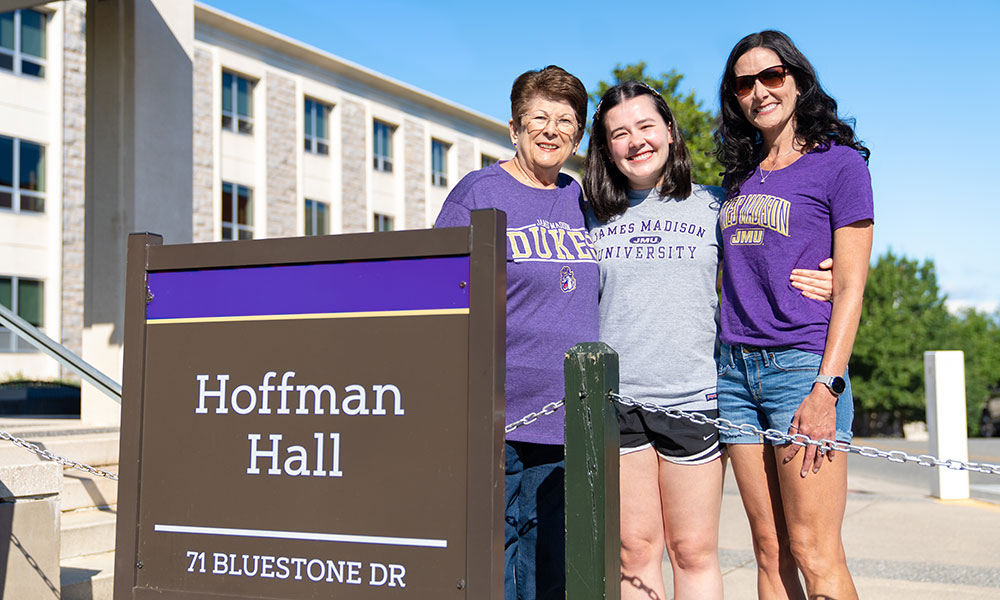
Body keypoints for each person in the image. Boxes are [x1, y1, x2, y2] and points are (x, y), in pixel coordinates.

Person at [582, 81, 833, 600]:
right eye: (619, 134)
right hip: (615, 403)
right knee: (633, 550)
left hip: (693, 399)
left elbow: (769, 258)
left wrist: (831, 278)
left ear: (670, 132)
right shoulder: (586, 213)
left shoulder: (716, 204)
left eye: (647, 126)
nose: (636, 141)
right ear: (605, 148)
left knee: (692, 552)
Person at [714, 30, 874, 600]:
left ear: (798, 80)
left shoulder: (840, 165)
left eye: (771, 76)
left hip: (800, 371)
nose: (758, 91)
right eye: (743, 83)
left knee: (814, 552)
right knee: (769, 551)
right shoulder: (737, 177)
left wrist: (827, 388)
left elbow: (851, 288)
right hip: (731, 376)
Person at [434, 65, 596, 600]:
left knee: (550, 560)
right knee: (491, 557)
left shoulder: (585, 200)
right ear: (514, 127)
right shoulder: (479, 192)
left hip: (567, 414)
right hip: (497, 411)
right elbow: (439, 291)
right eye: (539, 118)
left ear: (578, 135)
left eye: (566, 121)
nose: (552, 130)